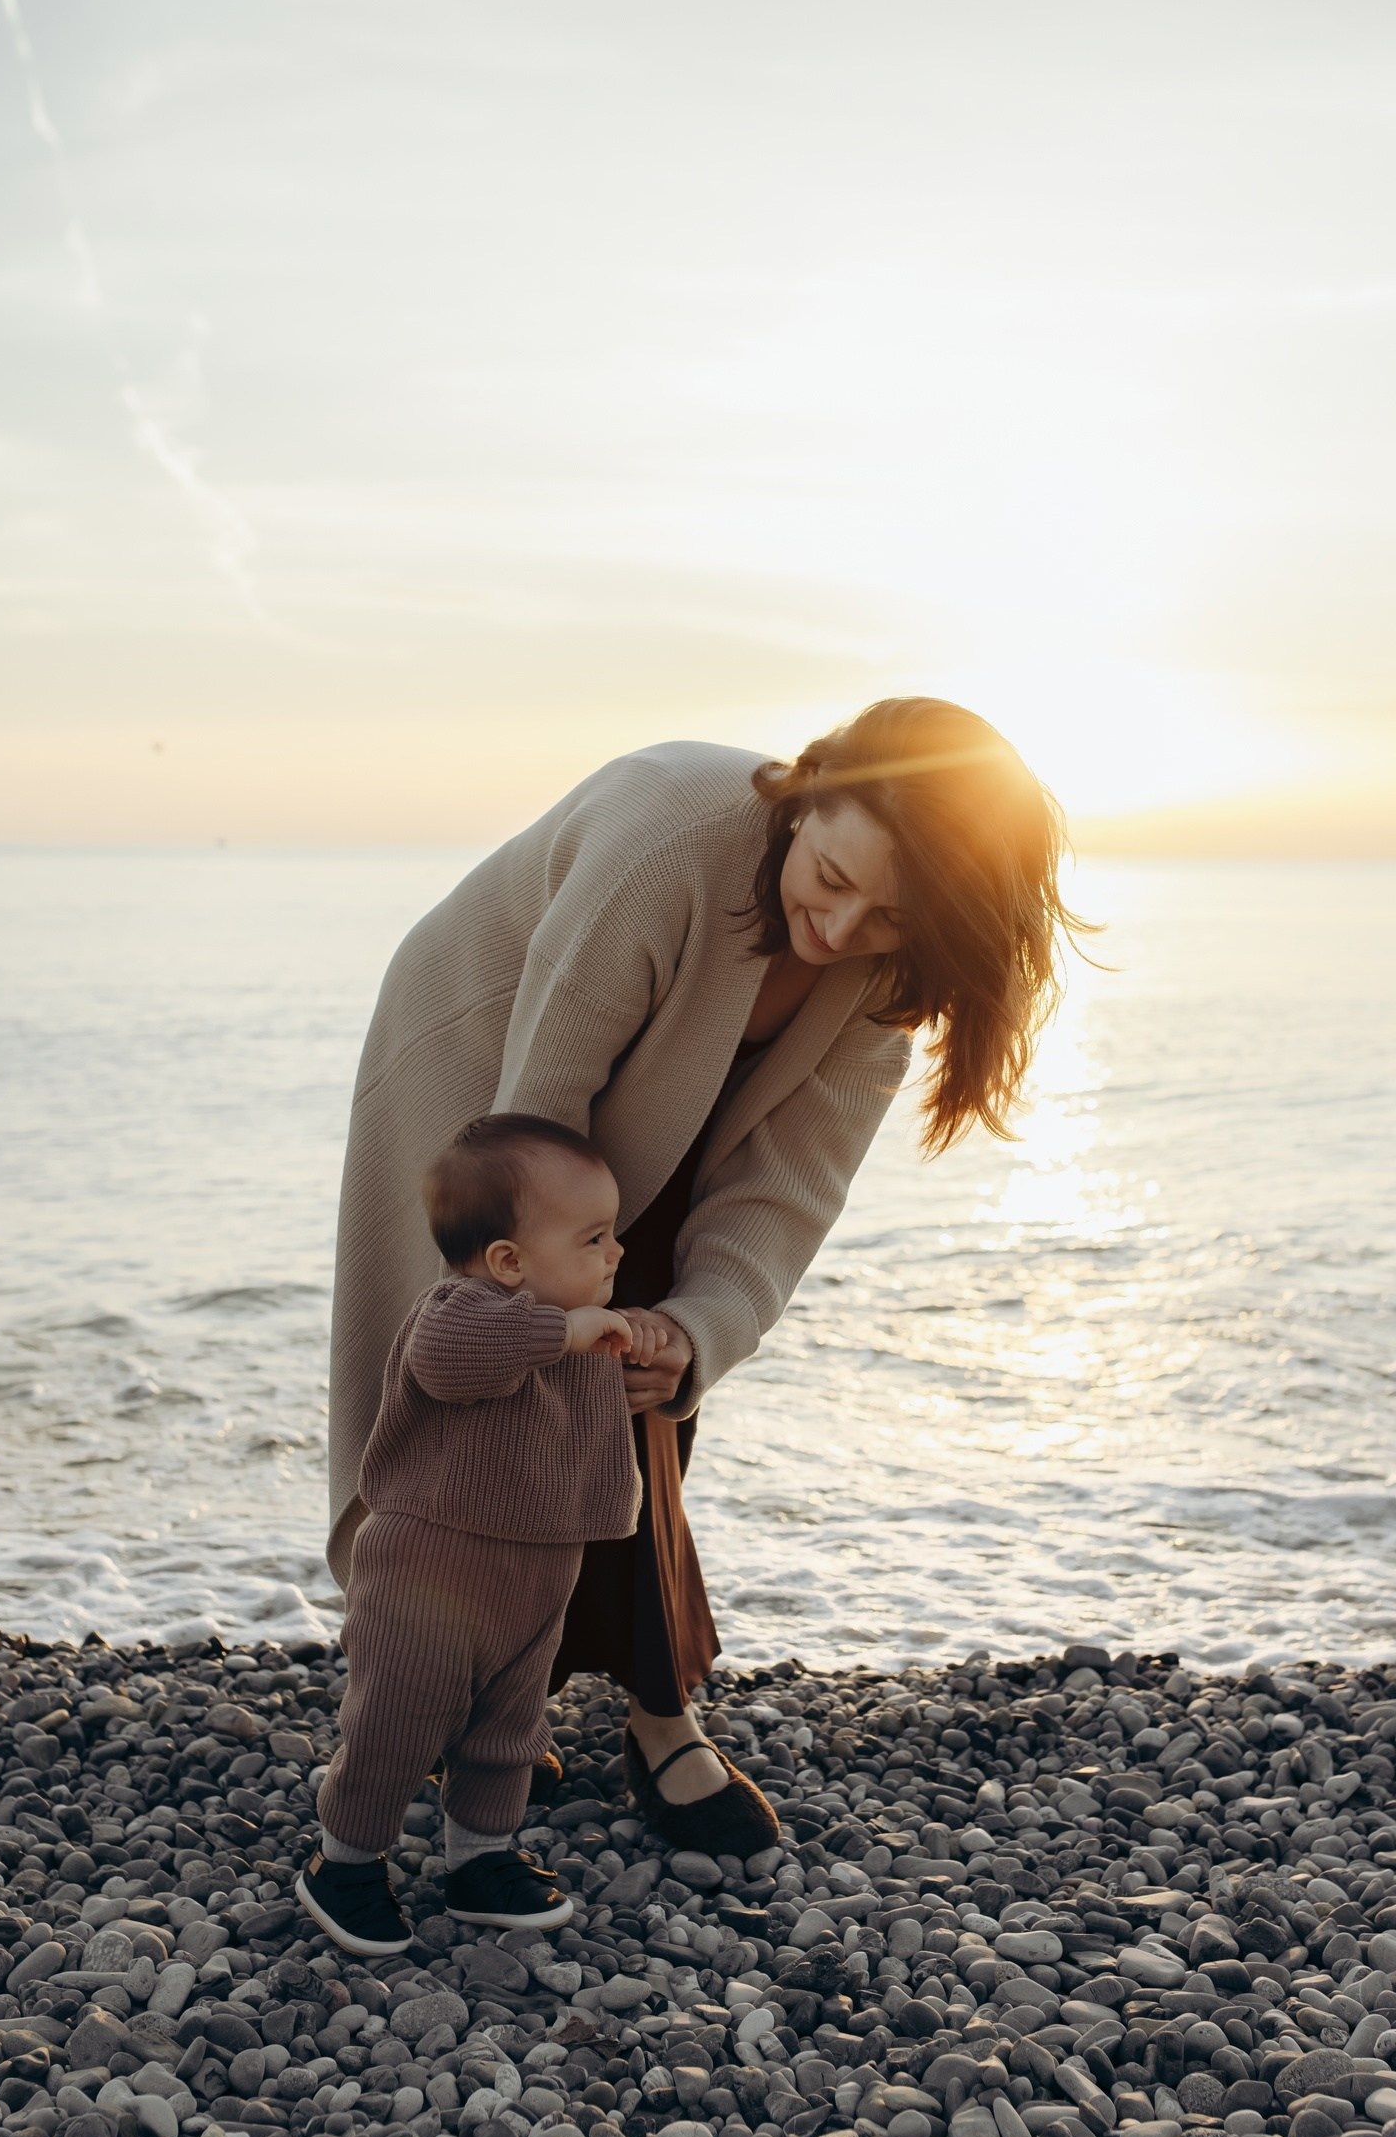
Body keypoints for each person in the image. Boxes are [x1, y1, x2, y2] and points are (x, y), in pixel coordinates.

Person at [328, 697, 1085, 1859]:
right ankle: (451, 1679)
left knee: (645, 1374)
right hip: (485, 1065)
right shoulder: (669, 841)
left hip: (663, 1116)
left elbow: (790, 1186)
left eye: (889, 916)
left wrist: (697, 1330)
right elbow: (537, 1115)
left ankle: (654, 1710)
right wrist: (559, 1320)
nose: (838, 930)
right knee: (478, 1369)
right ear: (809, 785)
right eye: (831, 875)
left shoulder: (887, 968)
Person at [300, 1115, 658, 1958]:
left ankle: (481, 1858)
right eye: (594, 1238)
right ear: (508, 1262)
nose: (615, 1253)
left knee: (509, 1727)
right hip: (427, 1563)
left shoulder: (578, 1326)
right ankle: (345, 1861)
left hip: (535, 1573)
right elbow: (449, 1362)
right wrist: (563, 1332)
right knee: (397, 1718)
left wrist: (643, 1358)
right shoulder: (463, 1312)